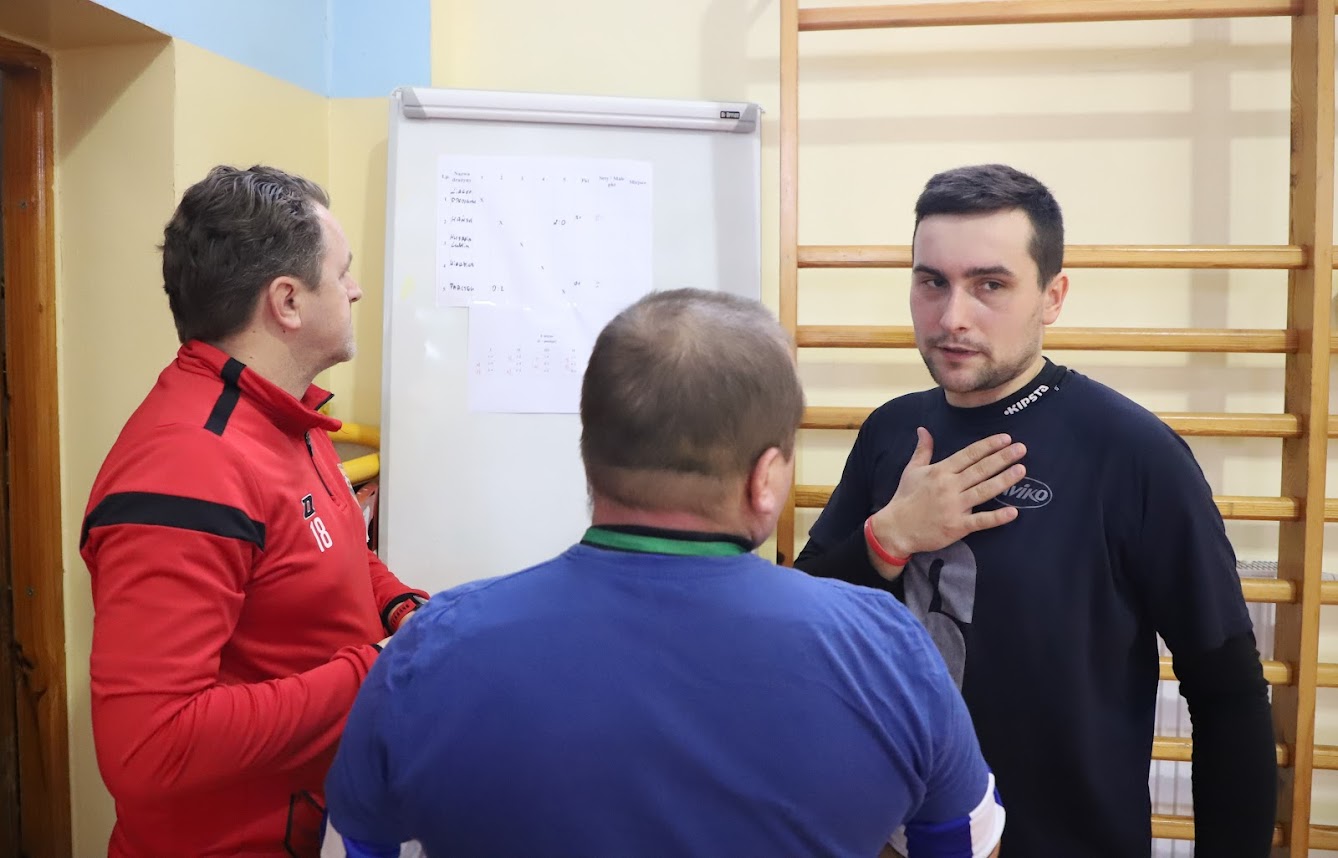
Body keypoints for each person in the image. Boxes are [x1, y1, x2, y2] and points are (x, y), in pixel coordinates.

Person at [324, 288, 1005, 858]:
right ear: (766, 478)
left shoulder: (430, 649)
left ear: (590, 457)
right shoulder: (887, 652)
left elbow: (364, 843)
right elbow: (967, 843)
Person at [794, 163, 1277, 857]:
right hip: (897, 836)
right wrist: (887, 539)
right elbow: (806, 624)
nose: (952, 317)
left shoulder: (1134, 454)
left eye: (990, 284)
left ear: (1052, 297)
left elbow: (1228, 694)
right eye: (932, 282)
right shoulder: (891, 433)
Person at [80, 165, 429, 858]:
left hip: (318, 816)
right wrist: (379, 668)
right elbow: (150, 747)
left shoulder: (283, 413)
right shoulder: (187, 465)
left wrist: (405, 614)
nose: (355, 289)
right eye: (342, 273)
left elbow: (333, 551)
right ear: (287, 301)